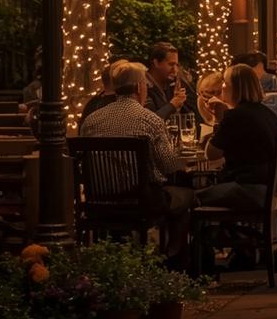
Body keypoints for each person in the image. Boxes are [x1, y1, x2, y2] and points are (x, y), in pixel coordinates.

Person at [79, 62, 192, 257]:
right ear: (140, 88)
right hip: (142, 202)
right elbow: (169, 166)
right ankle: (172, 259)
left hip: (98, 201)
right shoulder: (149, 120)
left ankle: (116, 255)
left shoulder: (91, 121)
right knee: (187, 197)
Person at [200, 63, 277, 210]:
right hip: (272, 190)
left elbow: (211, 154)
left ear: (235, 88)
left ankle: (209, 232)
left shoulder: (237, 115)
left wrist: (220, 120)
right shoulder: (267, 113)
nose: (222, 87)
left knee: (191, 197)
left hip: (249, 190)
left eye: (225, 82)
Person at [144, 42, 199, 125]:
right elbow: (149, 123)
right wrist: (173, 104)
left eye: (177, 65)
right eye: (171, 64)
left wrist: (178, 107)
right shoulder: (142, 87)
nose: (175, 70)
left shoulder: (171, 86)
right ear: (156, 63)